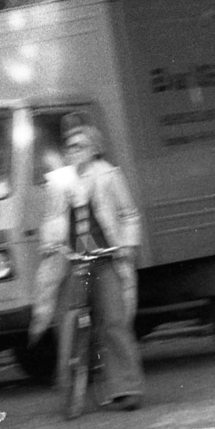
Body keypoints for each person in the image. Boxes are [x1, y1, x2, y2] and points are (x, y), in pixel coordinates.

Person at [33, 124, 145, 411]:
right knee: (66, 318)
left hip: (106, 259)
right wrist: (50, 244)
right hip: (73, 261)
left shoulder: (108, 175)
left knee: (114, 322)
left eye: (80, 146)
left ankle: (126, 387)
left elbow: (129, 214)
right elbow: (51, 220)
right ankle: (68, 381)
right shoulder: (58, 183)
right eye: (70, 147)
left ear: (94, 150)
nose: (74, 152)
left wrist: (128, 246)